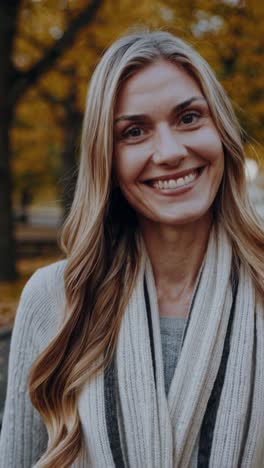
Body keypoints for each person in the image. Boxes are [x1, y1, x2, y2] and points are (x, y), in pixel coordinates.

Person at [1, 29, 264, 468]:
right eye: (135, 131)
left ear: (221, 131)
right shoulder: (55, 299)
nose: (169, 151)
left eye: (189, 118)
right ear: (107, 157)